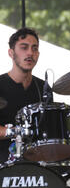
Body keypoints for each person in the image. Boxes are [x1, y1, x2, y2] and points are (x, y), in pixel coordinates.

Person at [0, 28, 44, 164]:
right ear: (11, 53)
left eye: (34, 48)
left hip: (36, 163)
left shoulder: (43, 87)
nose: (30, 53)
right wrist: (16, 131)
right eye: (24, 48)